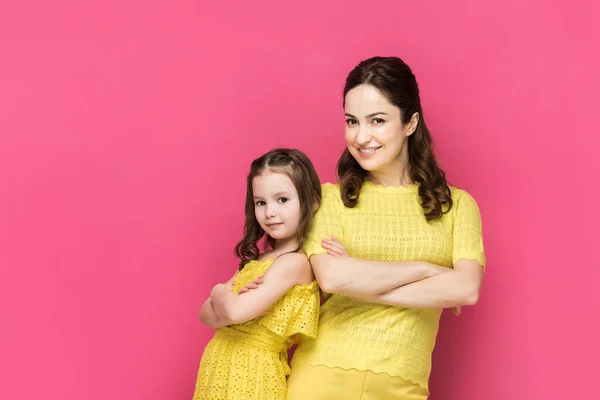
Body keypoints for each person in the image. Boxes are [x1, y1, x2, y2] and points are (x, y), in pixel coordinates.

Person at [285, 56, 486, 399]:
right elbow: (334, 279)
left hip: (403, 384)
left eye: (377, 120)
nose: (362, 137)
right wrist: (426, 270)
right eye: (352, 121)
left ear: (410, 123)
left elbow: (466, 289)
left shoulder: (457, 207)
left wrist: (360, 280)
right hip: (321, 376)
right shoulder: (329, 200)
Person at [191, 148, 322, 400]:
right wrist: (228, 303)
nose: (269, 212)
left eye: (282, 200)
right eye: (261, 202)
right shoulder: (263, 260)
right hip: (220, 364)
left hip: (252, 374)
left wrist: (219, 290)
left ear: (312, 202)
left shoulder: (294, 263)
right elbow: (205, 314)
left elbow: (232, 312)